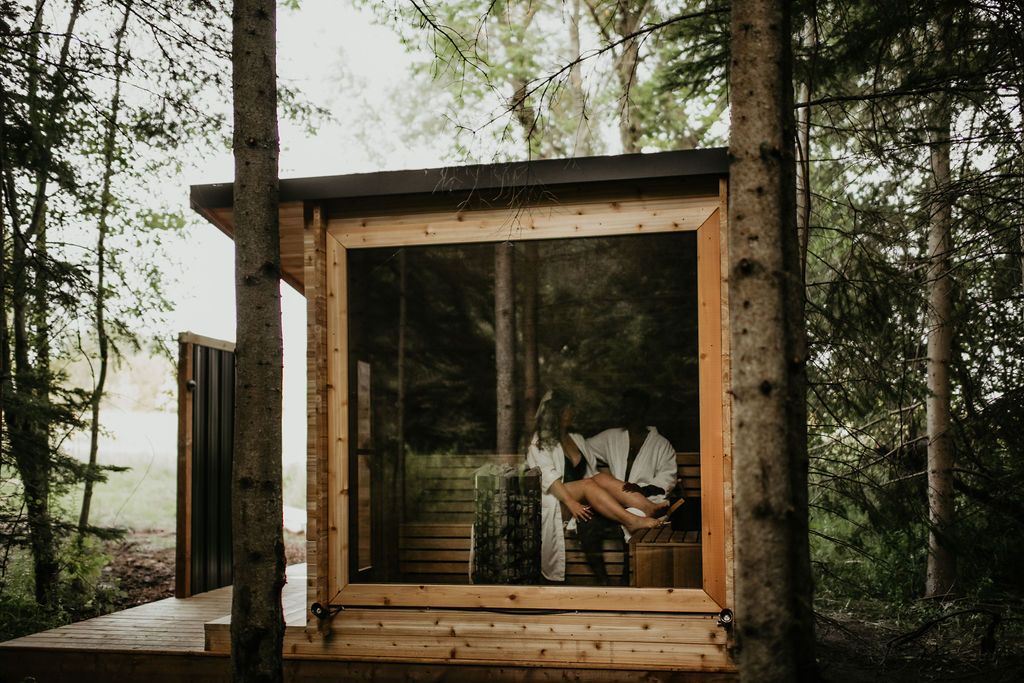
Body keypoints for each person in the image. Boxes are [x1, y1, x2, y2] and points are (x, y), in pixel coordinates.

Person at [526, 390, 663, 582]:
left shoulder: (576, 438)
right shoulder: (540, 442)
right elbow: (549, 478)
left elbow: (592, 472)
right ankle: (631, 520)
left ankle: (648, 507)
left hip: (581, 492)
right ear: (557, 413)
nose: (572, 413)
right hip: (557, 498)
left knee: (601, 478)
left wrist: (614, 493)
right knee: (590, 484)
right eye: (568, 409)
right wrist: (572, 503)